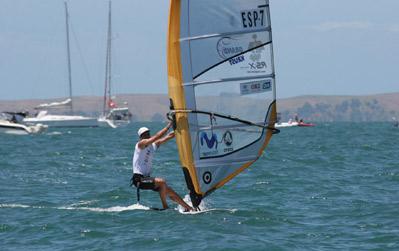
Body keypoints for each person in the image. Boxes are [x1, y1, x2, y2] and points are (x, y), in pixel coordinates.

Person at [131, 122, 193, 211]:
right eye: (145, 135)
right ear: (141, 137)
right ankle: (165, 207)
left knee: (170, 191)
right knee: (162, 182)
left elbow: (169, 136)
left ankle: (189, 208)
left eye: (148, 133)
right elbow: (156, 136)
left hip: (146, 178)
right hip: (139, 180)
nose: (147, 135)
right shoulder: (140, 145)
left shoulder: (153, 146)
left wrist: (179, 128)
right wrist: (169, 125)